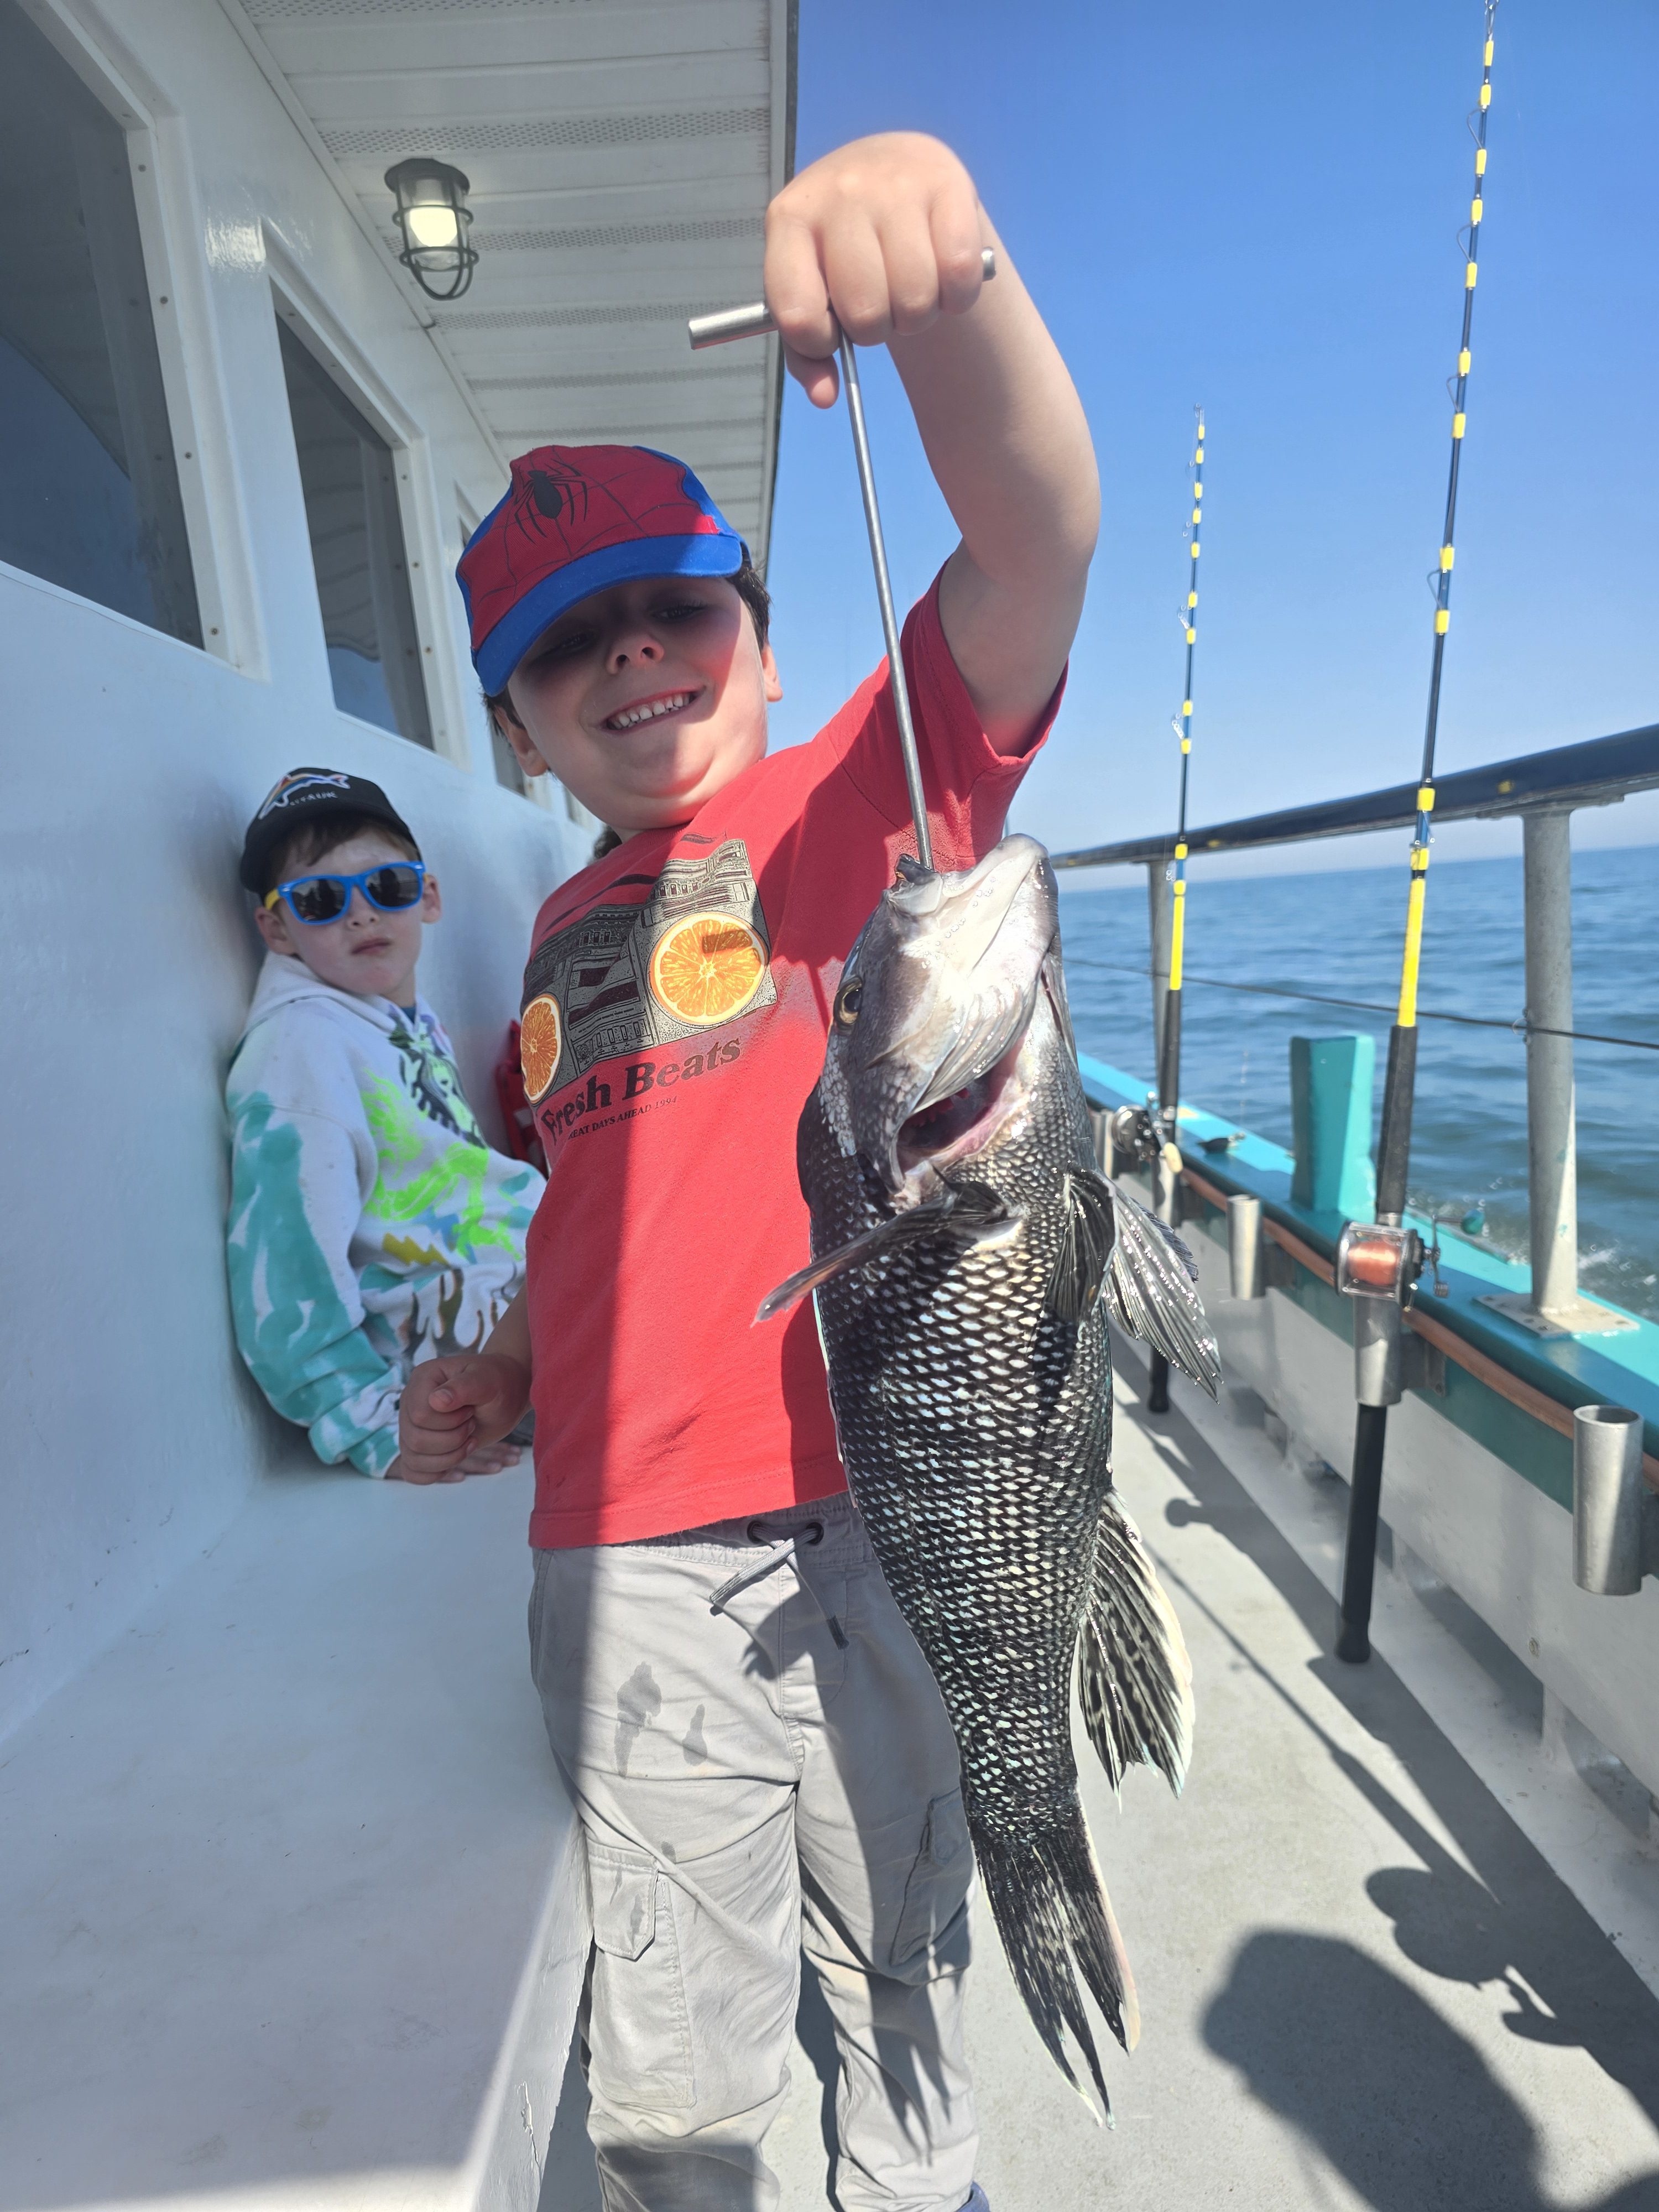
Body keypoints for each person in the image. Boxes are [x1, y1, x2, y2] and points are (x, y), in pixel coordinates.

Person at [399, 133, 1099, 2210]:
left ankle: (918, 2180)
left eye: (676, 611)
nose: (633, 658)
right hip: (617, 1553)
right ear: (519, 731)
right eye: (570, 645)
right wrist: (510, 1371)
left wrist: (952, 285)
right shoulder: (548, 939)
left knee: (900, 1945)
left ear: (766, 648)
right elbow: (587, 1214)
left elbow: (1035, 540)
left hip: (880, 1505)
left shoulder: (854, 805)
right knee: (677, 2043)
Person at [226, 768, 540, 1481]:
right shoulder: (300, 1049)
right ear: (276, 929)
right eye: (320, 899)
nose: (361, 915)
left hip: (524, 1296)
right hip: (473, 1358)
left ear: (427, 897)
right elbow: (286, 1271)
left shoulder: (396, 1020)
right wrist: (374, 1425)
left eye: (387, 886)